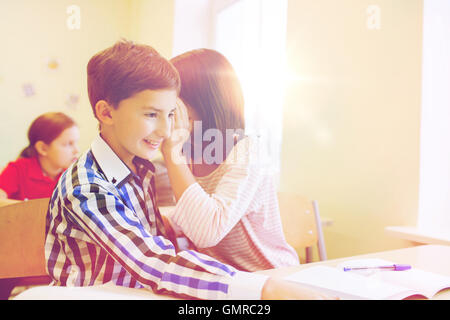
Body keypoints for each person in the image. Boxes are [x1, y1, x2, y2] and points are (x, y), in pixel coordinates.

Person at [44, 39, 332, 300]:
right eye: (151, 114)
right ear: (106, 113)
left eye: (172, 114)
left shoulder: (140, 169)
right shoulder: (88, 188)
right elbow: (152, 260)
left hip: (257, 277)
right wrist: (262, 289)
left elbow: (160, 242)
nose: (167, 129)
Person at [160, 49, 299, 272]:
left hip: (269, 275)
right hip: (226, 280)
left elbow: (207, 229)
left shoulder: (248, 152)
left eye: (173, 103)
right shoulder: (188, 152)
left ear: (204, 102)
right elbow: (195, 209)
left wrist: (172, 151)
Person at [0, 112, 80, 200]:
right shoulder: (17, 170)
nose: (76, 150)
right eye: (69, 144)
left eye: (76, 143)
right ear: (43, 148)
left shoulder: (72, 177)